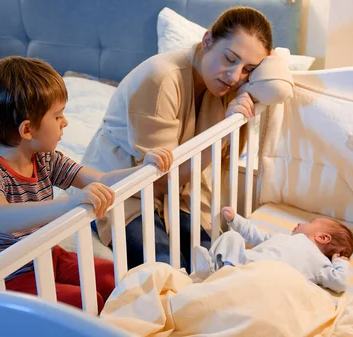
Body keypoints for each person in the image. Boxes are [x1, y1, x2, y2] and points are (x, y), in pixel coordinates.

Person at [82, 6, 292, 272]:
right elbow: (158, 179)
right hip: (125, 189)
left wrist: (256, 78)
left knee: (216, 265)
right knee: (173, 271)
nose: (235, 76)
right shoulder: (160, 79)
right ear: (207, 40)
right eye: (229, 58)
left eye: (249, 69)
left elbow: (278, 78)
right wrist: (226, 130)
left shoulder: (230, 83)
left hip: (178, 190)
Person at [0, 56, 173, 313]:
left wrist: (143, 168)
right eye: (58, 116)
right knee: (87, 301)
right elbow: (1, 216)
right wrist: (67, 203)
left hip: (46, 256)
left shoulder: (44, 158)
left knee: (115, 277)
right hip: (7, 277)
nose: (65, 122)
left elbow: (100, 178)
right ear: (27, 130)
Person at [194, 206, 353, 293]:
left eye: (309, 223)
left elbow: (339, 282)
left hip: (273, 278)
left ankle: (218, 271)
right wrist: (236, 221)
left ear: (322, 237)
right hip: (245, 264)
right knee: (232, 237)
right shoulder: (283, 238)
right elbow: (256, 235)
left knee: (233, 241)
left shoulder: (321, 264)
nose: (300, 224)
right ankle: (215, 269)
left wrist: (339, 262)